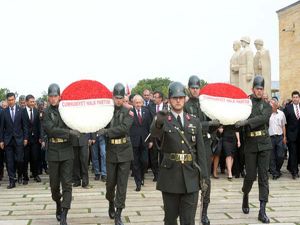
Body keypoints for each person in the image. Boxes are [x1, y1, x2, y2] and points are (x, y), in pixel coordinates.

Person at [150, 81, 208, 225]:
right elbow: (154, 133)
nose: (178, 100)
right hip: (170, 176)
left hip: (191, 175)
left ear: (185, 99)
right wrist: (158, 122)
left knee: (188, 220)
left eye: (181, 97)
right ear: (169, 100)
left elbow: (200, 151)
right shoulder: (163, 119)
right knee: (170, 219)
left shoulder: (194, 121)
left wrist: (205, 177)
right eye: (175, 98)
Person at [235, 75, 272, 223]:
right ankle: (245, 195)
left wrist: (246, 122)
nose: (259, 91)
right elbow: (237, 115)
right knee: (250, 176)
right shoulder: (246, 104)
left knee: (263, 177)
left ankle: (262, 211)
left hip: (264, 143)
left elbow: (262, 119)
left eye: (261, 89)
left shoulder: (267, 106)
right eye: (257, 89)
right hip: (250, 144)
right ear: (252, 89)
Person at [42, 83, 80, 225]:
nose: (53, 99)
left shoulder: (68, 109)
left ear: (60, 96)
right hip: (53, 150)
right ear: (48, 97)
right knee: (54, 187)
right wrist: (69, 133)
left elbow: (76, 123)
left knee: (67, 184)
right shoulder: (46, 112)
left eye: (55, 96)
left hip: (67, 150)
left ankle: (64, 213)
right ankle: (58, 203)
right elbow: (51, 130)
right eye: (51, 96)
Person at [184, 75, 220, 225]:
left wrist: (216, 124)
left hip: (205, 144)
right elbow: (192, 124)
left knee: (206, 178)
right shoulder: (186, 106)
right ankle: (190, 210)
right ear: (189, 88)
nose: (195, 90)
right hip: (190, 145)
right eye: (192, 88)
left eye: (197, 88)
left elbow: (213, 123)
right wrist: (209, 123)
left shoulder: (206, 104)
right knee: (191, 178)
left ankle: (204, 212)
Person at [97, 83, 133, 225]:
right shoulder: (107, 112)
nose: (118, 100)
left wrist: (106, 132)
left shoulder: (129, 112)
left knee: (122, 184)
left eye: (120, 98)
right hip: (111, 151)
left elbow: (124, 128)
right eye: (116, 98)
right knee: (110, 184)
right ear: (112, 97)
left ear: (124, 97)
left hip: (124, 150)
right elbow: (100, 124)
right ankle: (111, 202)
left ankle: (118, 213)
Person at [0, 92, 29, 189]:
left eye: (12, 100)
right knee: (9, 161)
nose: (11, 102)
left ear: (15, 99)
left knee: (20, 160)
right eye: (9, 100)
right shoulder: (4, 112)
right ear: (7, 101)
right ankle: (12, 181)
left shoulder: (21, 111)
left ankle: (19, 174)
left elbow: (25, 126)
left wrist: (25, 138)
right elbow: (1, 128)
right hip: (8, 140)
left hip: (19, 139)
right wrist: (1, 140)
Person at [130, 94, 152, 192]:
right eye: (136, 102)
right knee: (135, 163)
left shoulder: (146, 112)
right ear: (133, 103)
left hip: (145, 140)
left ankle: (142, 176)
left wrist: (151, 140)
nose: (138, 104)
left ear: (142, 103)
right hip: (134, 141)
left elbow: (150, 127)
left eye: (140, 102)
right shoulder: (130, 113)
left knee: (144, 161)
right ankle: (138, 183)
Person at [22, 94, 42, 184]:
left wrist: (41, 137)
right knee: (25, 159)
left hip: (35, 139)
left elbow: (39, 125)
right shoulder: (21, 112)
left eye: (34, 101)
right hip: (25, 139)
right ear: (26, 102)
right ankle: (25, 177)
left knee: (35, 157)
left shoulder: (36, 111)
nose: (33, 103)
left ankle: (35, 174)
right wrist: (23, 138)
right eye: (31, 101)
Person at [268, 98, 286, 180]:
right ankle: (274, 173)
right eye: (270, 104)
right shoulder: (267, 114)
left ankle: (277, 170)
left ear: (276, 105)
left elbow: (283, 126)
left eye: (272, 104)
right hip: (270, 138)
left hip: (279, 137)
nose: (271, 105)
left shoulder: (281, 113)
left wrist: (284, 137)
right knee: (271, 156)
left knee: (280, 156)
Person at [283, 90, 300, 179]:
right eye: (294, 97)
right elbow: (284, 123)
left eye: (297, 97)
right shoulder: (288, 108)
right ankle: (294, 172)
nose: (295, 99)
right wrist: (285, 136)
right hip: (291, 136)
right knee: (293, 154)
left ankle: (291, 167)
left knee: (298, 154)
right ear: (292, 98)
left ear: (299, 98)